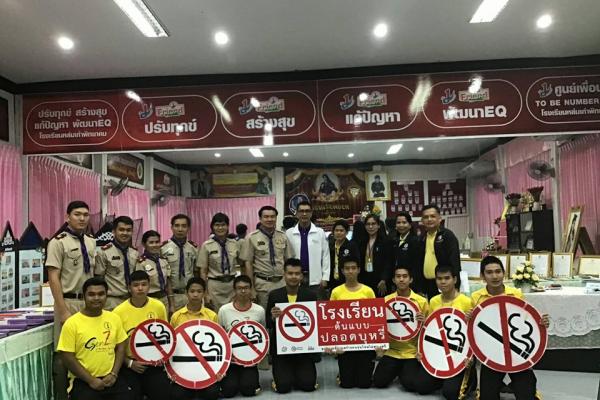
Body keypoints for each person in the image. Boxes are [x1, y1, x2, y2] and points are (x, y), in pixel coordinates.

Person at [471, 256, 549, 400]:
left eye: (498, 271)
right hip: (492, 353)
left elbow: (525, 321)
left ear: (504, 273)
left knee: (527, 396)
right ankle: (499, 384)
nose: (494, 276)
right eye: (489, 272)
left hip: (515, 351)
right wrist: (469, 318)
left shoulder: (516, 294)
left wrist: (541, 323)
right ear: (483, 276)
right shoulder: (476, 297)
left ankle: (515, 384)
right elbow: (474, 330)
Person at [46, 200, 96, 400]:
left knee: (88, 347)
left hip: (89, 303)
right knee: (64, 352)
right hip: (68, 301)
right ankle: (61, 395)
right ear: (67, 217)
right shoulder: (58, 242)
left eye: (85, 214)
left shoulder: (91, 241)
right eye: (77, 214)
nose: (82, 218)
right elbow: (53, 277)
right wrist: (62, 310)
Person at [56, 277, 129, 400]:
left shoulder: (114, 318)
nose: (96, 298)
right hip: (83, 381)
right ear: (84, 297)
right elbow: (67, 357)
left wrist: (114, 374)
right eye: (91, 294)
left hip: (111, 379)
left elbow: (121, 346)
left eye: (101, 294)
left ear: (106, 296)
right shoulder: (72, 323)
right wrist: (91, 380)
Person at [372, 266, 434, 393]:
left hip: (411, 352)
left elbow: (429, 330)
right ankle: (397, 370)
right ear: (393, 280)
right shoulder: (386, 301)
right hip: (391, 351)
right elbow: (378, 326)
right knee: (379, 381)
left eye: (405, 276)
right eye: (398, 276)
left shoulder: (421, 301)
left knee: (410, 385)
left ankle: (401, 371)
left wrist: (424, 321)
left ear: (411, 279)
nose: (401, 279)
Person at [113, 270, 171, 400]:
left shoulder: (158, 306)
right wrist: (129, 363)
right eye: (136, 285)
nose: (140, 288)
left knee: (164, 393)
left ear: (149, 286)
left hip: (154, 363)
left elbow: (166, 337)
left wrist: (161, 358)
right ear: (129, 288)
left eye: (144, 284)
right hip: (130, 364)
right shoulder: (118, 312)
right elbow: (115, 346)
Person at [425, 265, 477, 400]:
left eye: (447, 278)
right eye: (439, 278)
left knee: (451, 394)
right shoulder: (433, 301)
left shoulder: (467, 302)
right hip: (440, 352)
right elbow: (431, 329)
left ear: (454, 279)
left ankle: (471, 378)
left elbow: (473, 332)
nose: (443, 282)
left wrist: (471, 357)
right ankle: (445, 378)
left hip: (460, 354)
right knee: (421, 386)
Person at [267, 258, 318, 394]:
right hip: (282, 350)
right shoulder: (274, 295)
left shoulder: (310, 295)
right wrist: (273, 317)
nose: (293, 277)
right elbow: (268, 322)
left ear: (301, 276)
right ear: (284, 274)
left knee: (308, 385)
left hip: (304, 349)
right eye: (290, 273)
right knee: (283, 387)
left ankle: (297, 374)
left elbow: (316, 323)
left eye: (297, 273)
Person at [329, 255, 376, 389]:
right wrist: (334, 345)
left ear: (359, 270)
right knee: (347, 384)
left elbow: (375, 318)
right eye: (347, 268)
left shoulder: (368, 291)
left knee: (364, 384)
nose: (350, 271)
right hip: (345, 342)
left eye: (353, 268)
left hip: (365, 342)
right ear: (342, 271)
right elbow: (331, 319)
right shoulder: (336, 292)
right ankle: (342, 374)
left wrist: (376, 344)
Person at [170, 277, 220, 400]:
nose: (195, 295)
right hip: (183, 364)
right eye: (192, 291)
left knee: (212, 394)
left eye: (199, 291)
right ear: (186, 293)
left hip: (206, 364)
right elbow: (171, 345)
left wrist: (219, 369)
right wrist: (171, 371)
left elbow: (219, 343)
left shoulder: (212, 316)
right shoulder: (176, 316)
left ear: (204, 293)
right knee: (178, 396)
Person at [218, 275, 265, 397]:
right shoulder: (224, 310)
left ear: (251, 289)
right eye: (239, 288)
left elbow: (262, 337)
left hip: (249, 361)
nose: (243, 291)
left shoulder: (259, 310)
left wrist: (256, 357)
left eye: (246, 288)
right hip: (231, 361)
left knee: (248, 390)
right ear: (234, 290)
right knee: (229, 391)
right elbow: (221, 336)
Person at [241, 205, 293, 310]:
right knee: (263, 314)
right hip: (262, 284)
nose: (269, 219)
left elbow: (288, 260)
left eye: (272, 217)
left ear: (276, 218)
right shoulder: (251, 238)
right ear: (260, 219)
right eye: (266, 217)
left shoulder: (283, 236)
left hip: (281, 283)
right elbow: (248, 264)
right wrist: (251, 288)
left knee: (283, 313)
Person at [414, 204, 461, 299]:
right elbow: (417, 264)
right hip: (427, 284)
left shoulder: (447, 236)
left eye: (433, 216)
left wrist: (456, 286)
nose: (429, 219)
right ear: (422, 221)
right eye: (426, 217)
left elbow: (455, 262)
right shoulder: (421, 238)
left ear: (439, 218)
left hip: (444, 283)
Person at [285, 201, 330, 299]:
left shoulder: (320, 232)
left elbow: (326, 256)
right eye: (301, 211)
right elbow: (286, 256)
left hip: (315, 277)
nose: (304, 214)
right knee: (297, 303)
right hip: (295, 276)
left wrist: (325, 277)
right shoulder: (289, 233)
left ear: (311, 213)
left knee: (316, 304)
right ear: (297, 213)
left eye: (307, 211)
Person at [198, 213, 240, 311]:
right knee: (215, 315)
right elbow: (203, 271)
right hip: (214, 286)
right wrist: (206, 293)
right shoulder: (206, 245)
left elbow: (242, 264)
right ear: (212, 227)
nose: (220, 228)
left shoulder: (234, 243)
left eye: (223, 225)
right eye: (217, 225)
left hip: (232, 285)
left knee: (232, 313)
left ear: (228, 226)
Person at [95, 216, 138, 310]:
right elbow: (99, 279)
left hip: (132, 301)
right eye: (121, 230)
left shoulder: (134, 253)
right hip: (111, 302)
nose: (125, 233)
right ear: (114, 232)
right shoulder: (104, 252)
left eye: (128, 230)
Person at [161, 214, 198, 311]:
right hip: (171, 295)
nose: (180, 229)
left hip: (189, 294)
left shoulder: (193, 248)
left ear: (188, 228)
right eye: (177, 226)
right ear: (171, 227)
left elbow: (196, 271)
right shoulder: (163, 248)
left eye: (184, 226)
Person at [136, 230, 174, 315]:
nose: (155, 245)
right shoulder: (141, 263)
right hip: (149, 300)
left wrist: (171, 304)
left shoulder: (163, 261)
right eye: (151, 242)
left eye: (157, 242)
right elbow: (139, 285)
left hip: (164, 300)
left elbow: (168, 283)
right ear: (144, 244)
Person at [357, 214, 391, 296]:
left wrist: (384, 279)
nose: (370, 227)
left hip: (380, 281)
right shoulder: (361, 242)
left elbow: (389, 262)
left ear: (378, 225)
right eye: (368, 224)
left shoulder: (386, 241)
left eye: (373, 224)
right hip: (364, 280)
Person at [328, 219, 360, 291]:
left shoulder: (352, 246)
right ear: (333, 232)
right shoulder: (330, 246)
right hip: (332, 282)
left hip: (347, 281)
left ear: (346, 232)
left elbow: (356, 264)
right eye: (336, 230)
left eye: (341, 231)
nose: (338, 233)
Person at [389, 212, 419, 286]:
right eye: (398, 223)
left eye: (404, 222)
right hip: (397, 281)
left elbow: (417, 265)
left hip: (411, 282)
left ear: (410, 225)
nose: (401, 225)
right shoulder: (393, 241)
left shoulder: (416, 241)